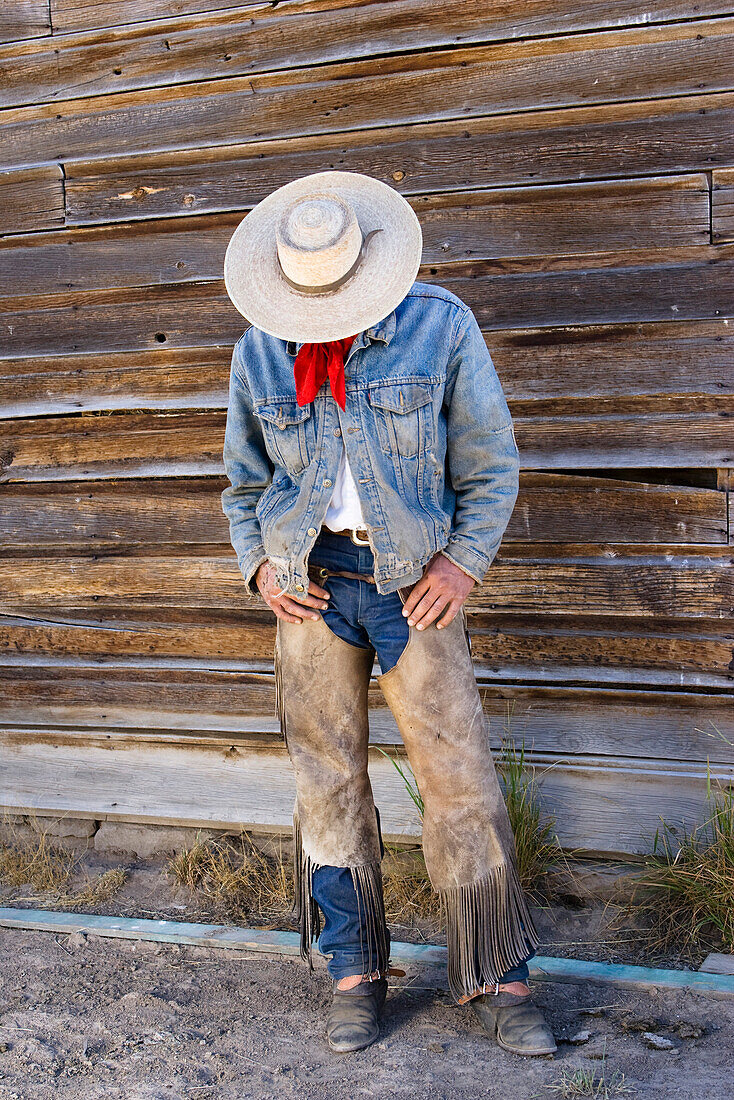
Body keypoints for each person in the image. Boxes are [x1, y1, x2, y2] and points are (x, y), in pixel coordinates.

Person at [220, 170, 556, 1057]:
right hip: (311, 586)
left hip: (416, 583)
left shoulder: (440, 326)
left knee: (461, 783)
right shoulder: (260, 349)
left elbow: (491, 465)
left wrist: (462, 563)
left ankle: (496, 976)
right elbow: (245, 487)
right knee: (325, 783)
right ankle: (355, 973)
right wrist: (259, 568)